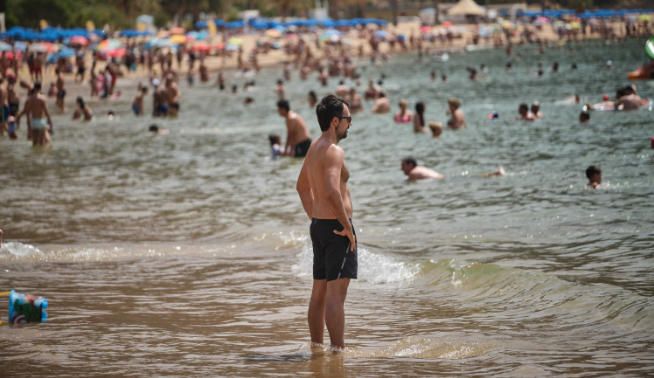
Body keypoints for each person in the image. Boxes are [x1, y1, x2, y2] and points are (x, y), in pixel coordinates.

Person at [295, 94, 356, 350]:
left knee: (319, 291)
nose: (350, 124)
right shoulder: (333, 151)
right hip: (336, 229)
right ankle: (338, 351)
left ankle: (317, 348)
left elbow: (301, 187)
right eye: (347, 119)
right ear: (334, 121)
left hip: (320, 226)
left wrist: (315, 218)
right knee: (335, 296)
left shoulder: (314, 147)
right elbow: (332, 191)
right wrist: (347, 229)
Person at [16, 83, 53, 147]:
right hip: (41, 121)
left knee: (34, 144)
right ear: (40, 88)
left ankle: (35, 156)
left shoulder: (30, 99)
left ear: (34, 88)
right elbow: (46, 112)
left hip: (33, 121)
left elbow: (27, 112)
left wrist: (28, 126)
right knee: (42, 144)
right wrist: (50, 122)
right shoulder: (42, 99)